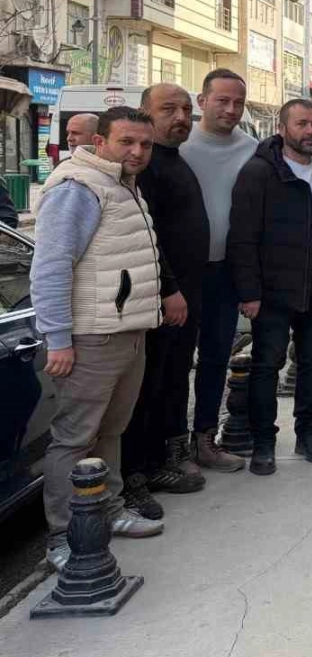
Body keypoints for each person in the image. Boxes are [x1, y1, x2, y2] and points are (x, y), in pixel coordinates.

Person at [32, 107, 183, 569]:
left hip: (127, 331)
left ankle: (109, 511)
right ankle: (64, 536)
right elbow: (52, 266)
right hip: (92, 336)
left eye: (145, 144)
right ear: (100, 143)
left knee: (110, 432)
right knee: (74, 439)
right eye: (126, 142)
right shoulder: (78, 188)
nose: (138, 151)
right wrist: (59, 337)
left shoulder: (122, 185)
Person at [228, 98, 312, 475]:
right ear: (282, 128)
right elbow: (242, 236)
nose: (310, 130)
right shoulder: (259, 172)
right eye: (301, 124)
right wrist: (249, 292)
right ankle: (264, 442)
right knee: (267, 366)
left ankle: (307, 434)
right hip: (274, 289)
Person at [118, 84, 208, 521]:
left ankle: (159, 461)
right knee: (145, 389)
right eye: (169, 109)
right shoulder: (145, 168)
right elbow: (147, 237)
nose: (181, 117)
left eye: (186, 110)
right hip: (160, 301)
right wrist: (169, 290)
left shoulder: (173, 159)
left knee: (171, 381)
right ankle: (133, 477)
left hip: (184, 299)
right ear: (144, 112)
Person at [180, 69, 256, 473]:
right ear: (202, 100)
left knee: (215, 357)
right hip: (181, 273)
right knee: (174, 363)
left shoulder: (252, 149)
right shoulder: (179, 146)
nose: (230, 109)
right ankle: (171, 444)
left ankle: (205, 439)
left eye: (238, 102)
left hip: (227, 272)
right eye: (222, 100)